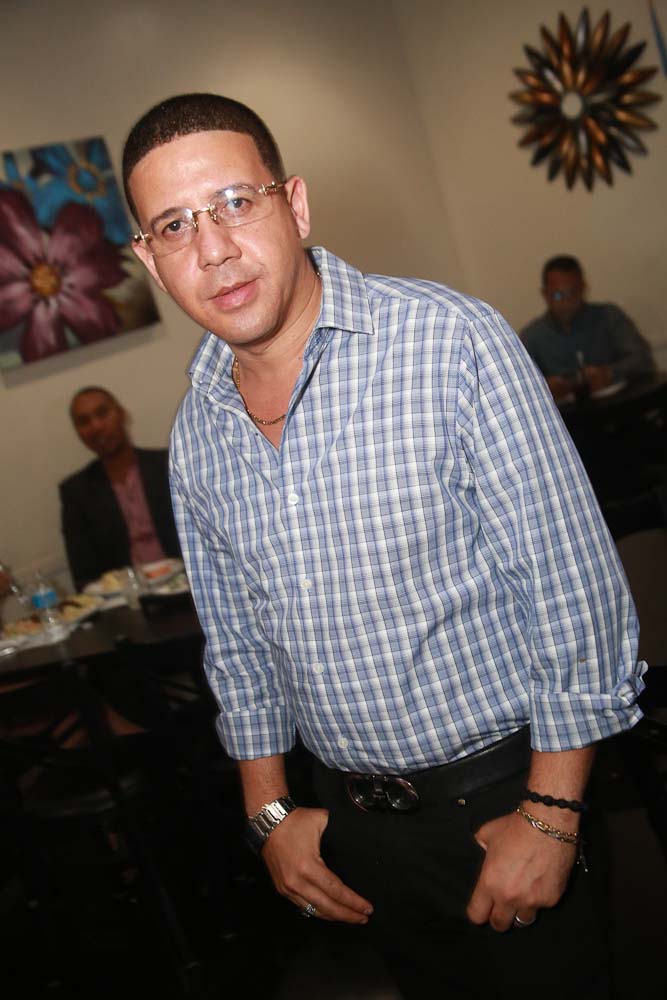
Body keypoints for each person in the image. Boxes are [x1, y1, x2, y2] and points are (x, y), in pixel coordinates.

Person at [123, 93, 645, 999]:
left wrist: (552, 813)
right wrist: (267, 811)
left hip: (507, 802)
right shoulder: (197, 429)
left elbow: (574, 589)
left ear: (295, 205)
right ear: (149, 261)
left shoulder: (450, 342)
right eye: (175, 225)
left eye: (235, 203)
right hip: (355, 832)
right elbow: (238, 646)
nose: (212, 249)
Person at [59, 386, 181, 591]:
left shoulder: (168, 465)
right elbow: (83, 577)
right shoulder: (76, 493)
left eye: (102, 413)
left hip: (188, 589)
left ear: (122, 414)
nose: (96, 426)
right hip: (126, 601)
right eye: (84, 421)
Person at [521, 255, 655, 403]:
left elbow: (643, 359)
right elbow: (520, 389)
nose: (566, 302)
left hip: (620, 408)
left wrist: (610, 373)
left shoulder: (608, 316)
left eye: (573, 293)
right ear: (545, 294)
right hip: (568, 417)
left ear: (584, 288)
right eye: (558, 295)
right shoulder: (532, 336)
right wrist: (544, 387)